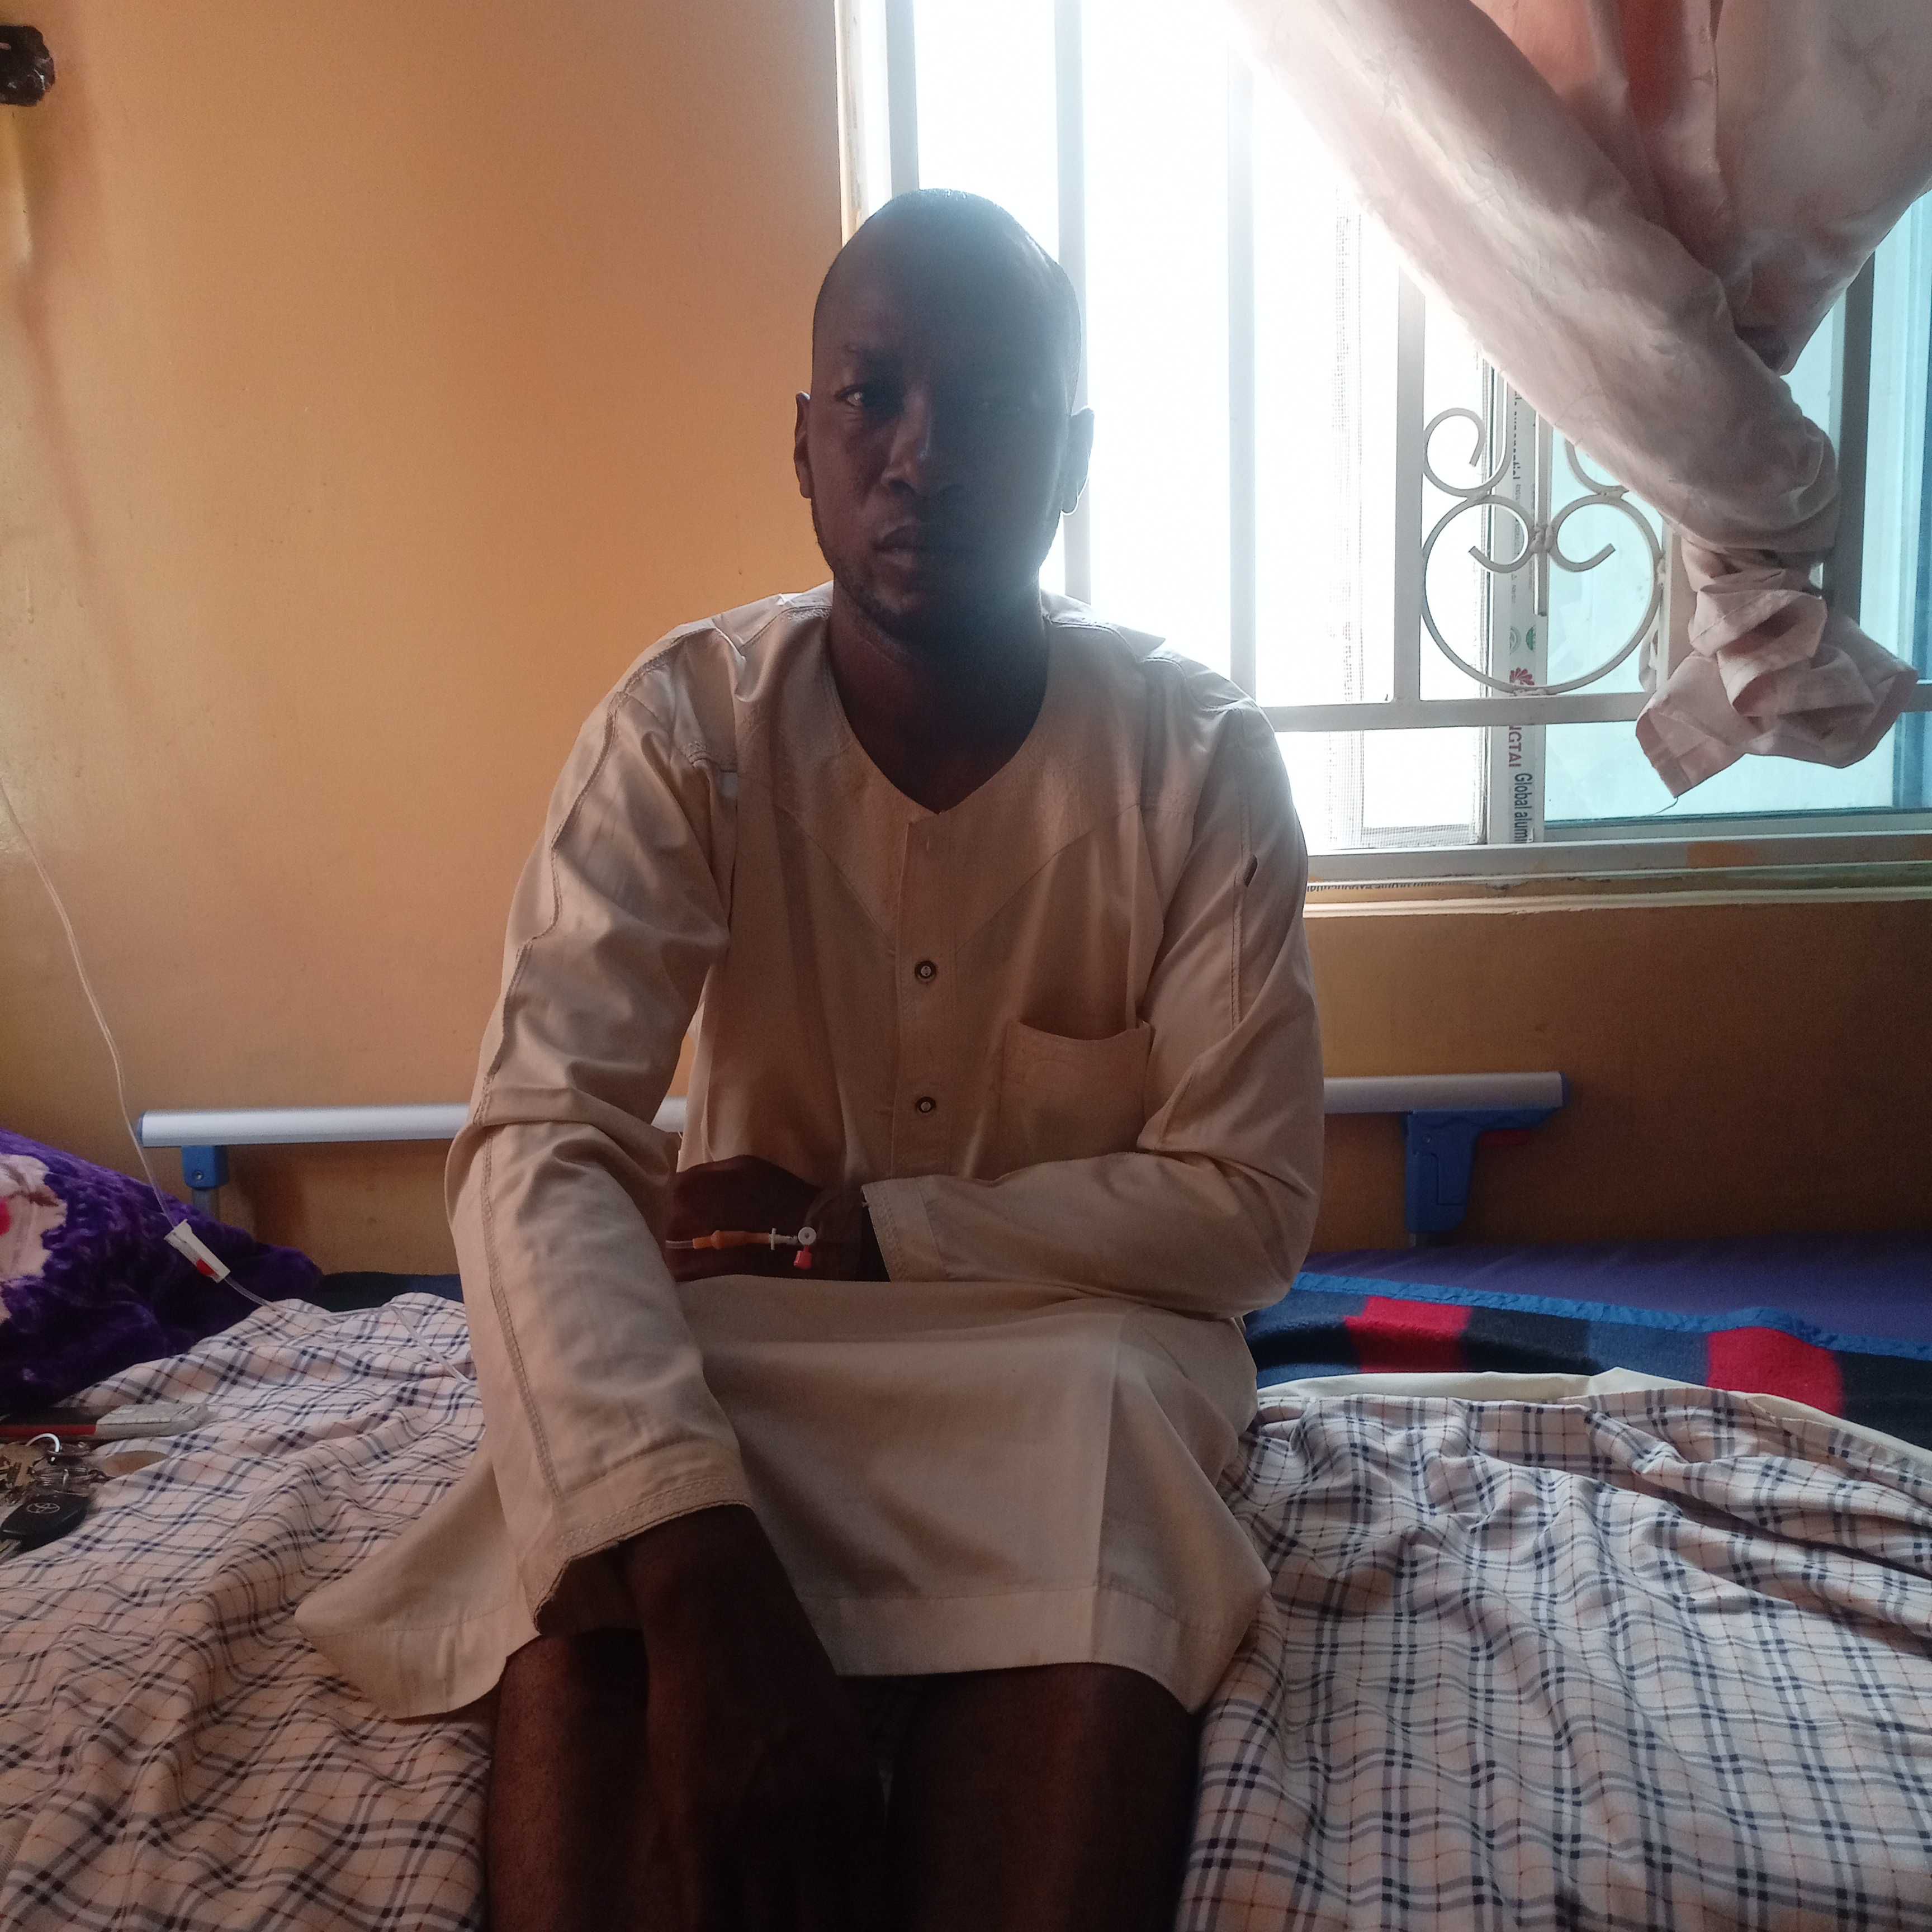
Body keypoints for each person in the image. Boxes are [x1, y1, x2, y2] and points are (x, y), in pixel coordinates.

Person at [296, 187, 1323, 1932]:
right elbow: (541, 1138)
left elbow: (1245, 1213)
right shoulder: (682, 730)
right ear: (803, 443)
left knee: (1109, 1445)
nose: (924, 452)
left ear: (1073, 459)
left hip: (1070, 1370)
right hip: (750, 1369)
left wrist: (859, 1232)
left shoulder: (1197, 758)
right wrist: (699, 1577)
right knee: (610, 1486)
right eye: (875, 395)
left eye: (992, 405)